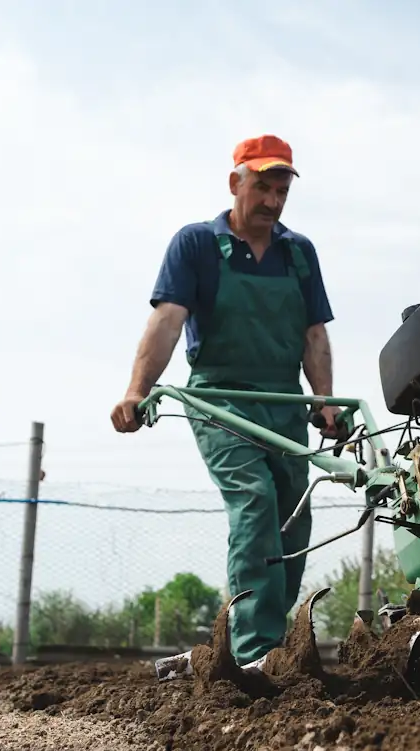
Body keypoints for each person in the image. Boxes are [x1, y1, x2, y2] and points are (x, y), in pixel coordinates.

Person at [110, 134, 340, 664]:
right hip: (221, 396)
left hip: (284, 399)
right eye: (262, 187)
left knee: (291, 516)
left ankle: (268, 637)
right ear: (235, 182)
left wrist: (323, 401)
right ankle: (256, 648)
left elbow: (314, 335)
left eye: (282, 190)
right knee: (255, 499)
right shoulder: (196, 244)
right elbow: (168, 320)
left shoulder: (298, 253)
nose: (273, 201)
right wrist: (137, 390)